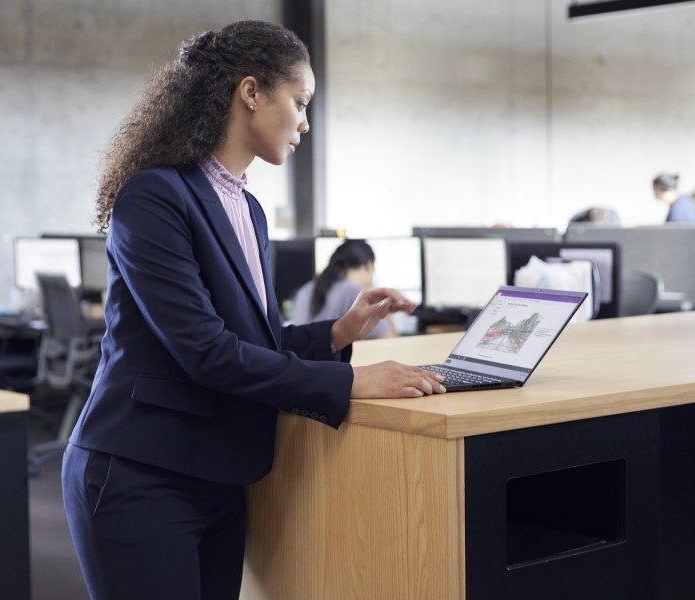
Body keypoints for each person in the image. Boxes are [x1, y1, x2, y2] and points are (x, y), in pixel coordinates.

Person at [60, 19, 445, 600]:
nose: (306, 123)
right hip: (141, 473)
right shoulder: (154, 196)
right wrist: (349, 381)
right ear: (251, 92)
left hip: (220, 474)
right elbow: (206, 352)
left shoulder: (249, 208)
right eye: (301, 101)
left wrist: (341, 330)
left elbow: (252, 342)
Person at [288, 239, 397, 338]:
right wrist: (385, 309)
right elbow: (390, 342)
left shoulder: (306, 289)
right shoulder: (359, 293)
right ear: (368, 265)